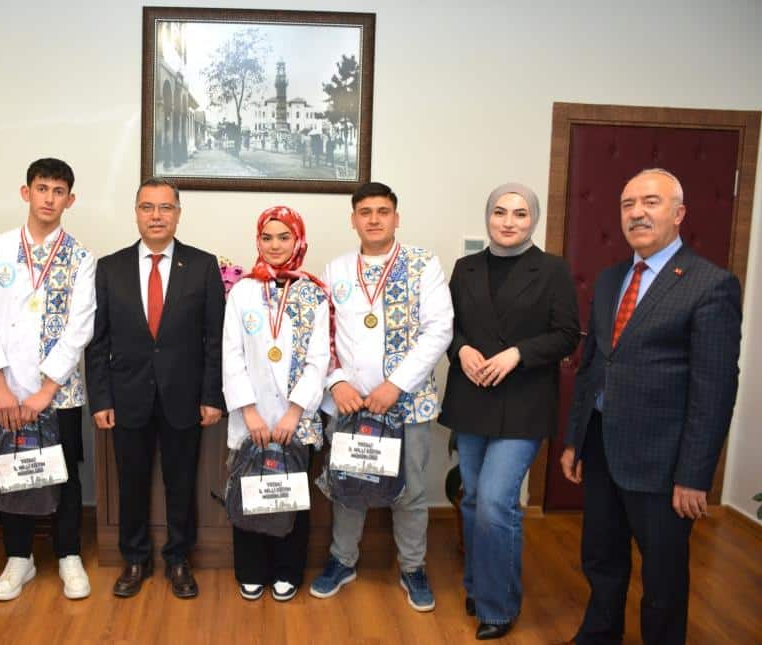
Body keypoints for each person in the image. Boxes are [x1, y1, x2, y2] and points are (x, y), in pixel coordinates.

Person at [559, 168, 741, 645]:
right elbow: (592, 365)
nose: (637, 213)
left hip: (664, 462)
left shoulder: (710, 285)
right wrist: (575, 440)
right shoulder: (611, 279)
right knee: (601, 557)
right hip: (602, 446)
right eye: (628, 204)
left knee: (662, 576)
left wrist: (694, 475)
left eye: (651, 202)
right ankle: (599, 634)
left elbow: (715, 389)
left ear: (679, 214)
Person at [438, 183, 579, 640]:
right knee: (474, 499)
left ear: (533, 219)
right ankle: (479, 586)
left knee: (497, 501)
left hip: (523, 402)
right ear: (488, 217)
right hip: (473, 398)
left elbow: (567, 334)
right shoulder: (466, 268)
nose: (508, 221)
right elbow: (448, 327)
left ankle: (498, 606)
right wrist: (461, 351)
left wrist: (518, 353)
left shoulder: (553, 269)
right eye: (500, 212)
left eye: (520, 213)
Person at [310, 181, 454, 611]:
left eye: (383, 211)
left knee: (410, 492)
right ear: (353, 220)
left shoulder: (422, 264)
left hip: (406, 403)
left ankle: (412, 567)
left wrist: (396, 384)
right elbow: (321, 335)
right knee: (348, 487)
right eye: (365, 212)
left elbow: (439, 329)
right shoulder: (336, 269)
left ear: (396, 217)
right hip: (351, 404)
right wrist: (336, 381)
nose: (374, 219)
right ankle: (342, 561)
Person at [85, 177, 225, 599]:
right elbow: (98, 340)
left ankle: (179, 558)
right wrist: (101, 398)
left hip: (185, 398)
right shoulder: (110, 268)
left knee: (182, 484)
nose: (157, 215)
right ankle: (135, 559)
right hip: (127, 397)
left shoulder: (202, 266)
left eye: (165, 207)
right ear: (136, 214)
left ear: (178, 214)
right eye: (147, 207)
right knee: (131, 484)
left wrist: (212, 396)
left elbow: (215, 340)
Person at [0, 158, 96, 601]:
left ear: (70, 200)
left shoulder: (81, 257)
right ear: (26, 193)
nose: (49, 198)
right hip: (1, 389)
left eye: (58, 191)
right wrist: (1, 388)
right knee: (12, 470)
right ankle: (18, 558)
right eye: (42, 188)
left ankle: (68, 555)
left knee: (64, 473)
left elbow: (80, 327)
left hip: (57, 393)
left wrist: (45, 391)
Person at [222, 206, 330, 602]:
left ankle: (287, 570)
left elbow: (319, 359)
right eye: (267, 237)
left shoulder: (313, 293)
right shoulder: (243, 291)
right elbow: (231, 354)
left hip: (295, 420)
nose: (275, 245)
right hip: (250, 419)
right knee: (250, 491)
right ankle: (251, 570)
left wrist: (294, 412)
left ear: (298, 240)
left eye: (284, 237)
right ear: (257, 241)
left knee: (291, 495)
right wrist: (249, 412)